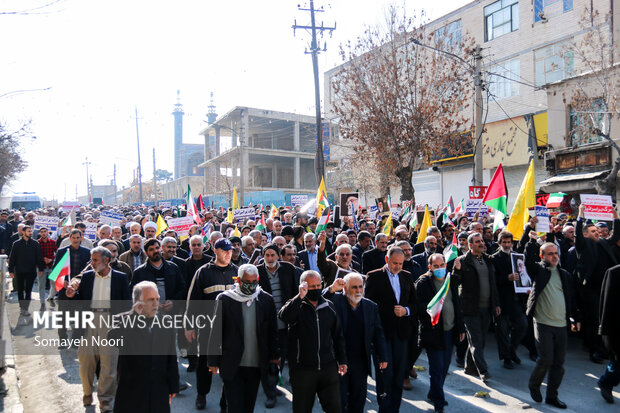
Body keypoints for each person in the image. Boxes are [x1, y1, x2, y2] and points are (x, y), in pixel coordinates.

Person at [61, 246, 131, 412]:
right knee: (85, 363)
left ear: (106, 261)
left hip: (111, 323)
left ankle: (105, 400)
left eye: (95, 260)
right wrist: (71, 295)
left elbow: (127, 304)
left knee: (109, 365)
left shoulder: (120, 278)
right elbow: (79, 300)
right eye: (91, 260)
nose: (91, 263)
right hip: (89, 322)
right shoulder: (86, 277)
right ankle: (87, 392)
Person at [207, 264, 279, 413]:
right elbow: (215, 330)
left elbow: (272, 331)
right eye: (247, 282)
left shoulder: (265, 300)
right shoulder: (225, 299)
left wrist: (274, 355)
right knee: (234, 406)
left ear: (258, 280)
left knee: (248, 405)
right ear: (239, 281)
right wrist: (213, 360)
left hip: (256, 365)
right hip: (232, 363)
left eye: (254, 282)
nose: (250, 286)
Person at [279, 270, 347, 413]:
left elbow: (338, 336)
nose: (316, 289)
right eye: (312, 286)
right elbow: (284, 316)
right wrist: (299, 297)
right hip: (303, 370)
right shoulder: (297, 306)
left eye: (318, 285)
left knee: (335, 408)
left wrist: (342, 360)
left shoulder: (329, 306)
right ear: (303, 286)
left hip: (328, 368)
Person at [110, 281, 180, 413]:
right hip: (131, 392)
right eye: (150, 300)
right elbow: (113, 339)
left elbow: (171, 356)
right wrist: (134, 316)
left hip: (158, 392)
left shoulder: (166, 322)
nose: (156, 304)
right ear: (138, 302)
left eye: (157, 299)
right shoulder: (124, 319)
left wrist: (173, 386)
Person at [323, 273, 388, 413]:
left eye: (360, 287)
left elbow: (378, 332)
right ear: (345, 289)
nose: (358, 291)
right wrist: (331, 289)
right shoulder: (335, 301)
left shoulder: (370, 307)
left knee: (358, 399)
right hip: (338, 360)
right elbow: (319, 300)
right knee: (339, 400)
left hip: (360, 361)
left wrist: (383, 356)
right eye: (354, 287)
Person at [185, 238, 237, 411]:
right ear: (215, 251)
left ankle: (225, 401)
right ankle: (201, 394)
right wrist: (189, 326)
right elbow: (193, 301)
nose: (228, 254)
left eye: (230, 251)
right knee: (205, 364)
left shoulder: (237, 272)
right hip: (208, 328)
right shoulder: (203, 273)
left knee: (229, 366)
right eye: (224, 251)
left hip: (231, 329)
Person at [527, 243, 580, 409]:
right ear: (542, 256)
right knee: (545, 359)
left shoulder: (565, 275)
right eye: (550, 254)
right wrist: (531, 238)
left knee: (559, 363)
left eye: (556, 253)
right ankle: (534, 385)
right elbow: (528, 260)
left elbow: (571, 299)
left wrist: (575, 318)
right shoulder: (540, 272)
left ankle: (552, 396)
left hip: (561, 324)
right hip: (543, 323)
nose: (554, 256)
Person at [365, 246, 416, 413]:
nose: (398, 267)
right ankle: (384, 408)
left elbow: (415, 304)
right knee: (384, 375)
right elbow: (368, 306)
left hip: (401, 335)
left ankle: (394, 409)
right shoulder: (374, 276)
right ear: (387, 260)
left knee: (398, 374)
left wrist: (406, 311)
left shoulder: (407, 277)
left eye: (401, 264)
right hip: (382, 335)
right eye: (394, 263)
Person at [416, 253, 465, 413]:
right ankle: (439, 402)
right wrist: (432, 307)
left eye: (442, 265)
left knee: (444, 368)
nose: (439, 269)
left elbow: (457, 305)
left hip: (449, 331)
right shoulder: (423, 283)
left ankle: (433, 392)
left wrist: (461, 329)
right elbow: (418, 306)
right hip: (433, 332)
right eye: (435, 266)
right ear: (429, 267)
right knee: (436, 369)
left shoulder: (450, 280)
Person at [453, 232, 501, 382]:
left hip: (487, 308)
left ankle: (469, 367)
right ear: (471, 245)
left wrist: (496, 304)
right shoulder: (463, 261)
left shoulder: (488, 260)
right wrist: (457, 270)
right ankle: (483, 370)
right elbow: (455, 284)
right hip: (470, 308)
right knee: (476, 340)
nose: (481, 243)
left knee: (480, 340)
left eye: (482, 241)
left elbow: (493, 285)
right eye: (478, 241)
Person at [575, 204, 620, 363]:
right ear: (586, 234)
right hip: (591, 289)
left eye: (598, 231)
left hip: (605, 289)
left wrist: (615, 216)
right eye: (593, 231)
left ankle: (605, 348)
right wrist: (580, 215)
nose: (597, 233)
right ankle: (594, 350)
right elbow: (578, 235)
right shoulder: (583, 244)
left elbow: (615, 236)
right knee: (594, 320)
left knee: (605, 319)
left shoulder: (603, 243)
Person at [256, 243, 299, 408]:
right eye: (267, 255)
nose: (270, 259)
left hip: (286, 321)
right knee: (269, 357)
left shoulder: (288, 269)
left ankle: (274, 383)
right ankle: (271, 392)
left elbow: (295, 292)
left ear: (278, 256)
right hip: (266, 323)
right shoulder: (258, 271)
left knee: (282, 355)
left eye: (273, 255)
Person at [491, 230, 528, 369]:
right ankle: (506, 357)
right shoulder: (494, 258)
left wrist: (525, 287)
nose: (507, 245)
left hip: (516, 298)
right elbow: (493, 281)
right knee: (503, 330)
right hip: (501, 300)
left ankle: (512, 350)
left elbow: (524, 274)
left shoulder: (517, 257)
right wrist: (507, 278)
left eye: (509, 242)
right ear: (499, 243)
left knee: (522, 325)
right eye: (504, 242)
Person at [130, 238, 186, 313]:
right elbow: (134, 293)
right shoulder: (139, 272)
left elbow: (182, 288)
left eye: (157, 248)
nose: (155, 251)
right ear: (146, 252)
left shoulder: (173, 267)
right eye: (151, 249)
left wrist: (173, 302)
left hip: (172, 313)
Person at [8, 225, 45, 316]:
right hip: (19, 270)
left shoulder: (35, 243)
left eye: (31, 231)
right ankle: (22, 308)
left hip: (31, 270)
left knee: (28, 290)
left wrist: (40, 268)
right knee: (20, 290)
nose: (30, 233)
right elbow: (12, 257)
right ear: (23, 232)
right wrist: (11, 270)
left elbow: (38, 257)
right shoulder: (16, 244)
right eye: (28, 231)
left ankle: (26, 309)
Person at [598, 263, 620, 403]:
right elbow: (606, 303)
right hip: (617, 328)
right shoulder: (614, 273)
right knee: (618, 362)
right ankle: (606, 382)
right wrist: (604, 331)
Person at [37, 226, 57, 310]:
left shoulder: (52, 242)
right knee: (41, 285)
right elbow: (35, 255)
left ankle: (50, 297)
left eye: (45, 231)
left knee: (54, 284)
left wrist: (51, 259)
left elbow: (57, 252)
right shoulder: (37, 243)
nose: (43, 233)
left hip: (52, 266)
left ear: (47, 232)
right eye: (42, 232)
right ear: (40, 233)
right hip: (41, 267)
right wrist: (43, 259)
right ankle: (42, 302)